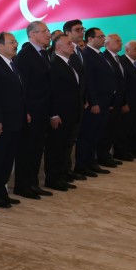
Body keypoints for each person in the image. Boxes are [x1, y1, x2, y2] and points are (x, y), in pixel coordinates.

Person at [0, 32, 25, 208]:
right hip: (2, 121)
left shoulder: (13, 63)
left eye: (15, 41)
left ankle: (2, 191)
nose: (15, 44)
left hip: (15, 119)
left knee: (8, 158)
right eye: (11, 42)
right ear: (0, 46)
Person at [13, 21, 53, 199]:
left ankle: (33, 183)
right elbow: (23, 87)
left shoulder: (43, 53)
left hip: (42, 110)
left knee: (37, 149)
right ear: (33, 34)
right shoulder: (25, 55)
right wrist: (26, 111)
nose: (48, 34)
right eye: (45, 31)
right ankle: (23, 185)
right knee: (27, 150)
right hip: (31, 112)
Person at [44, 35, 84, 191]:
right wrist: (53, 114)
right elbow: (52, 91)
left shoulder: (69, 63)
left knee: (65, 147)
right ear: (58, 47)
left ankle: (61, 175)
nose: (73, 46)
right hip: (60, 114)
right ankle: (53, 179)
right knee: (56, 147)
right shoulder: (55, 64)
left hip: (71, 112)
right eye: (69, 44)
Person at [74, 28, 116, 176]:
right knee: (87, 135)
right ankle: (82, 165)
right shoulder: (87, 54)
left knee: (96, 134)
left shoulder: (100, 54)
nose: (103, 38)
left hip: (104, 102)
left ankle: (91, 162)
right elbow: (89, 81)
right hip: (95, 103)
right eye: (100, 36)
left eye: (104, 36)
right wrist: (94, 102)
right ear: (90, 39)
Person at [100, 34, 127, 163]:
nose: (121, 43)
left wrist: (124, 101)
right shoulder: (104, 57)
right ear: (107, 44)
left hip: (118, 101)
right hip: (109, 101)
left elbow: (122, 81)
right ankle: (102, 156)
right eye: (117, 41)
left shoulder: (119, 58)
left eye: (120, 41)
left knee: (113, 129)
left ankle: (107, 154)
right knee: (105, 130)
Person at [118, 41, 136, 159]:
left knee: (133, 127)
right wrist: (124, 102)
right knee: (124, 128)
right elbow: (123, 85)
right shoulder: (122, 62)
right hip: (128, 102)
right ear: (127, 50)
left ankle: (130, 149)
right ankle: (121, 152)